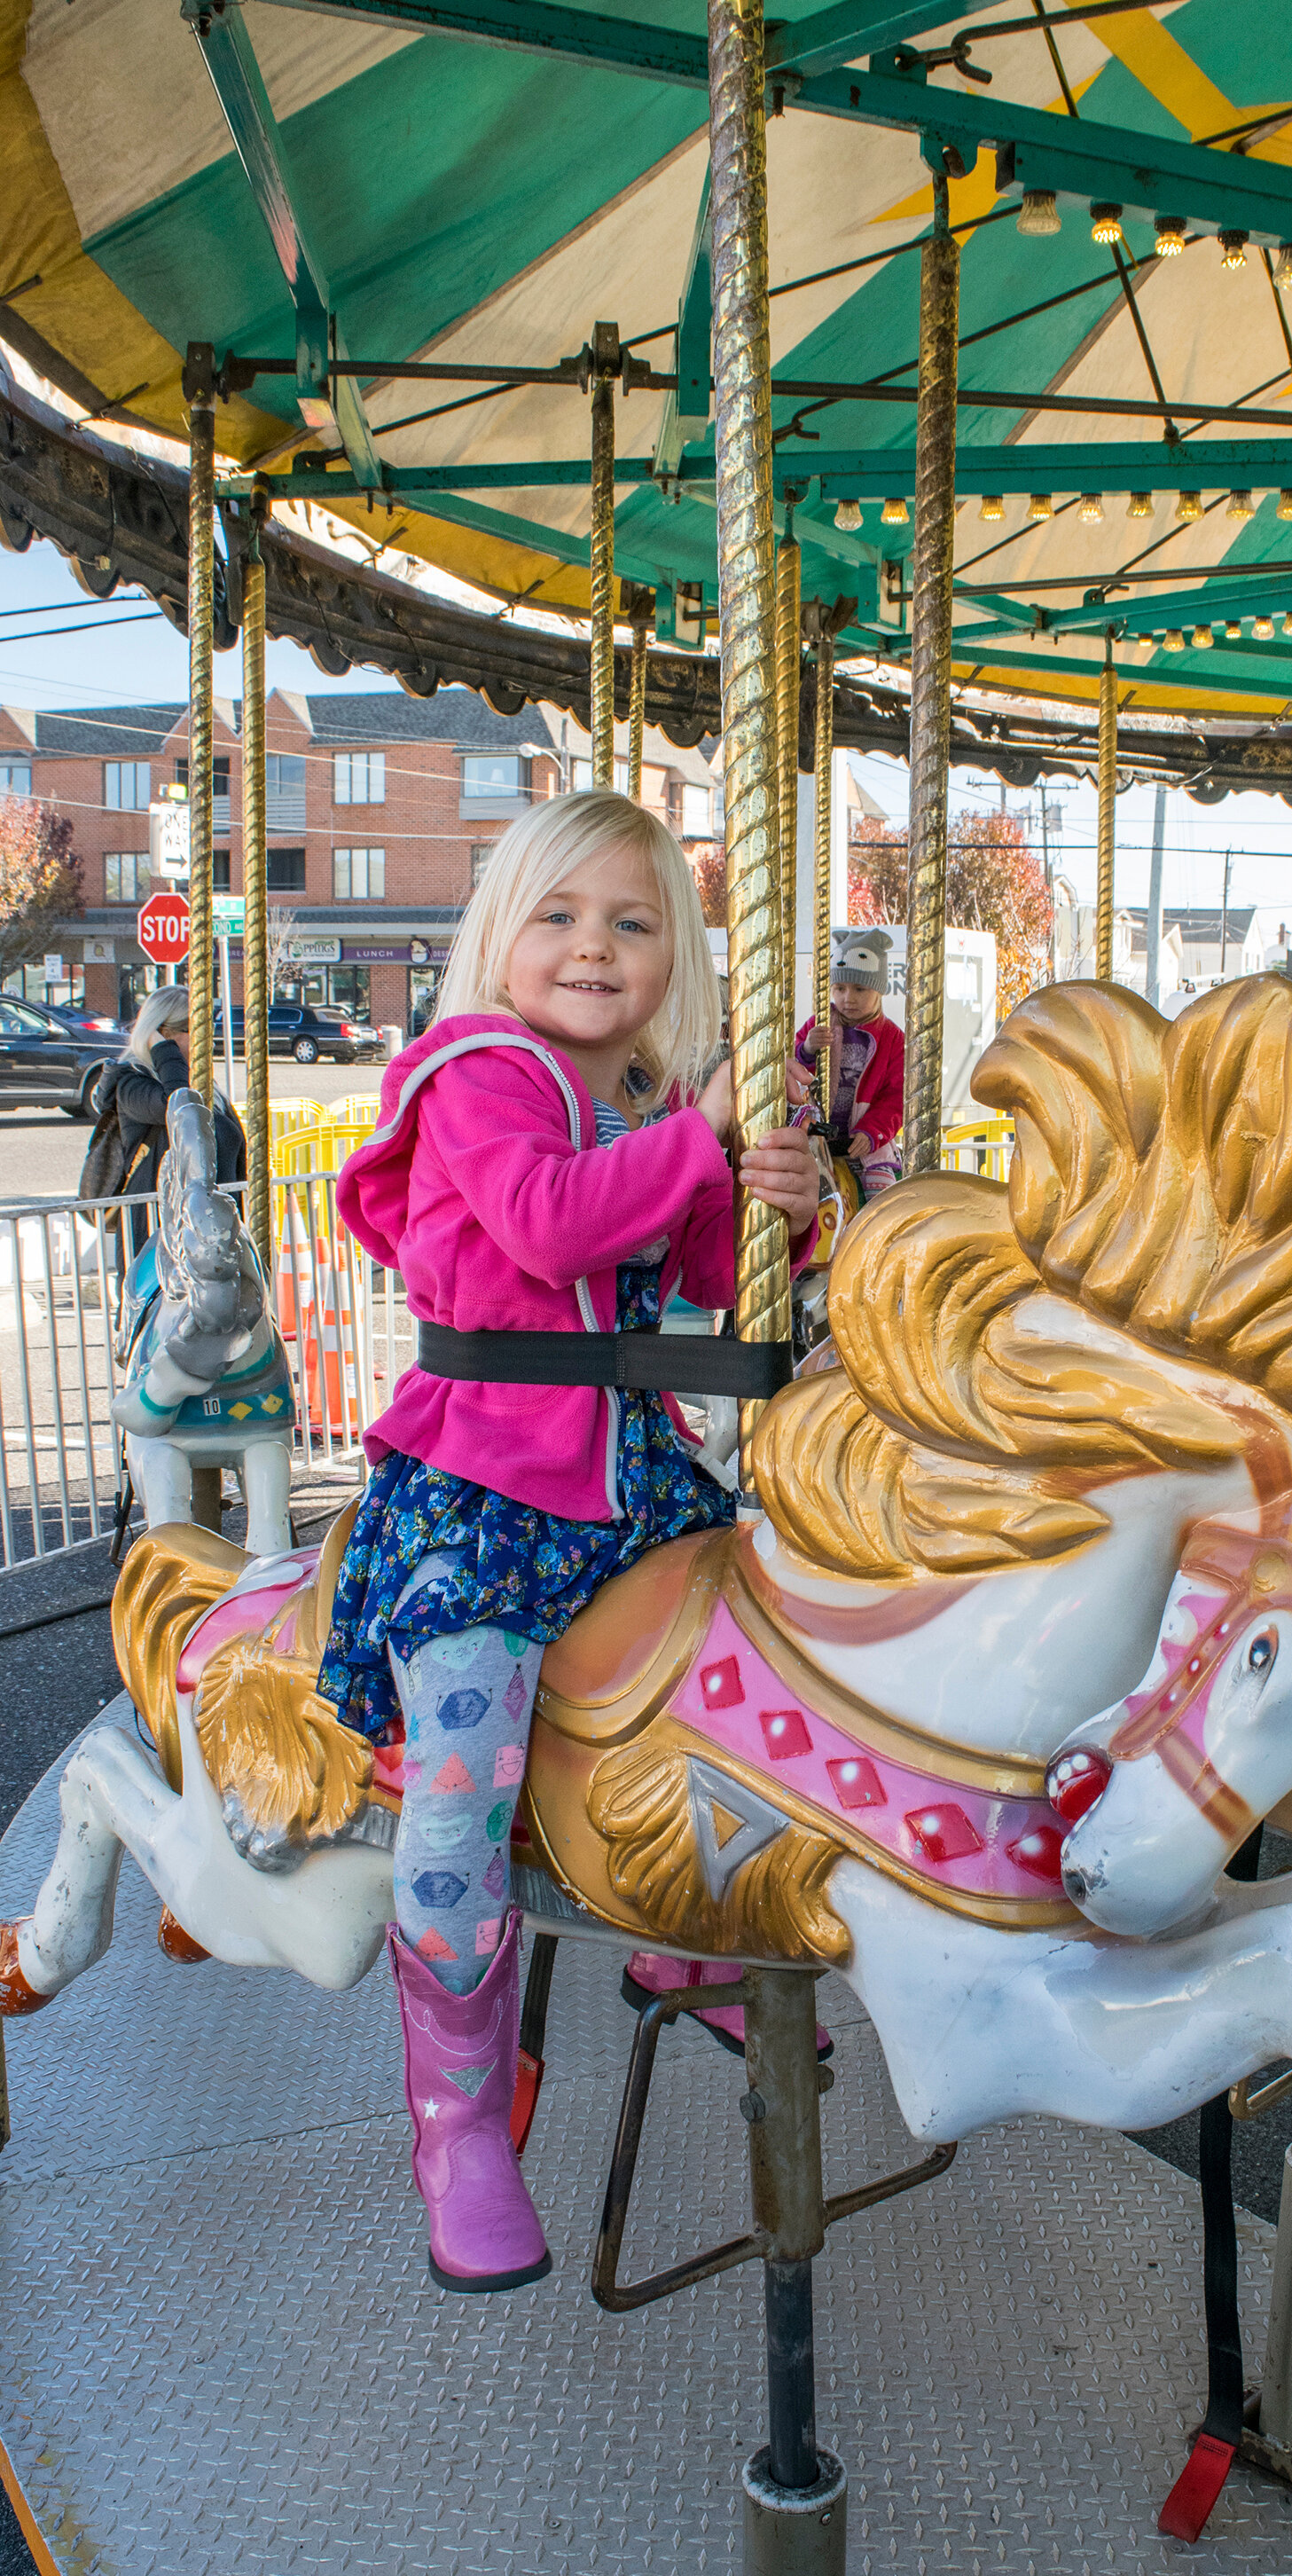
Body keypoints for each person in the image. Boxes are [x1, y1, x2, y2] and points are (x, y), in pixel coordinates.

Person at [320, 789, 818, 2297]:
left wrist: (768, 1197)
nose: (595, 947)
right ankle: (459, 2126)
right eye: (560, 914)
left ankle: (680, 1927)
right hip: (483, 1495)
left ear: (677, 959)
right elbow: (545, 1228)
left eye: (634, 921)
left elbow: (698, 1284)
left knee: (771, 1667)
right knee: (464, 1792)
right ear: (498, 935)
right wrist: (702, 1146)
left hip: (634, 1490)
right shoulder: (476, 1072)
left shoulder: (646, 1113)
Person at [92, 983, 247, 1260]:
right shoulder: (132, 1084)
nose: (208, 1042)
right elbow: (179, 1108)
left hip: (213, 1235)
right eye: (195, 1032)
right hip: (158, 1236)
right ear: (162, 1033)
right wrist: (164, 1051)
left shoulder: (203, 1084)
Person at [792, 925, 904, 1198]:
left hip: (864, 1144)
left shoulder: (892, 1039)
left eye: (860, 989)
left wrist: (872, 1132)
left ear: (878, 990)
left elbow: (896, 1098)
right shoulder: (818, 1025)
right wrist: (806, 1049)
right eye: (840, 988)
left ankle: (880, 1241)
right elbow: (792, 1072)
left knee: (880, 1196)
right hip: (816, 1137)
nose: (847, 998)